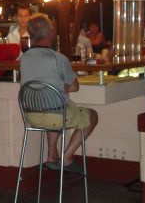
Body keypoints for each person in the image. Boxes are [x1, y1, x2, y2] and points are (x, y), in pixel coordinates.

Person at [19, 14, 98, 172]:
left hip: (32, 116)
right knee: (92, 115)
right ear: (50, 33)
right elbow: (74, 87)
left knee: (53, 106)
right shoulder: (58, 58)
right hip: (57, 115)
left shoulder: (24, 58)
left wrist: (52, 87)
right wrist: (58, 86)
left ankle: (51, 155)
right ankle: (67, 157)